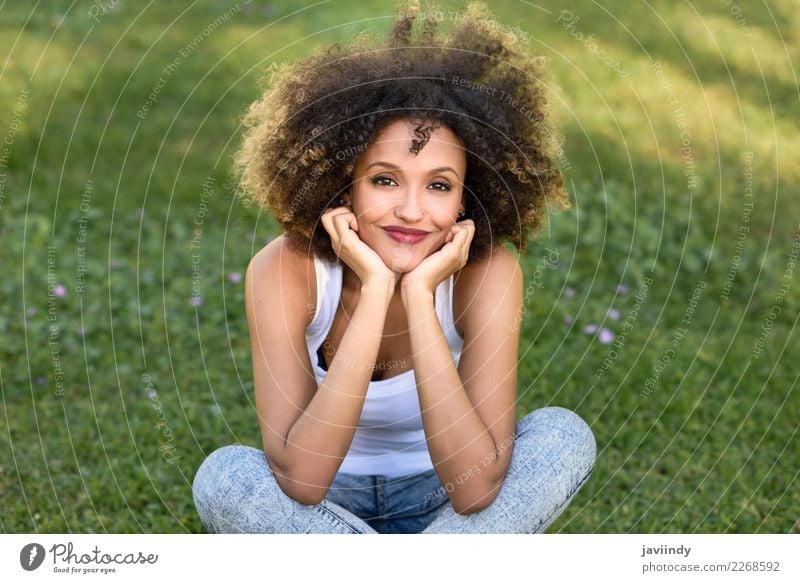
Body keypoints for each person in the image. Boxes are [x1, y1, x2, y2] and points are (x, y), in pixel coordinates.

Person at [192, 0, 596, 534]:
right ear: (344, 184)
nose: (411, 210)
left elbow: (475, 490)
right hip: (322, 515)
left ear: (465, 200)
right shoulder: (285, 271)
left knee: (563, 435)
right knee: (226, 477)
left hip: (445, 507)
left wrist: (421, 295)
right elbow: (304, 481)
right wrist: (379, 287)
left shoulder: (488, 273)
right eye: (384, 179)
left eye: (438, 185)